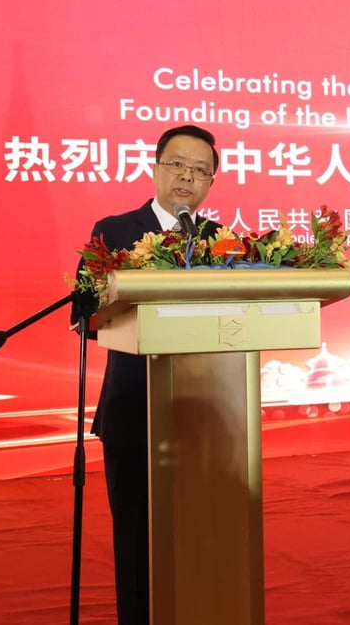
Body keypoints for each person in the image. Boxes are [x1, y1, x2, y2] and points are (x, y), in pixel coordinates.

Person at [73, 124, 223, 625]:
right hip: (134, 408)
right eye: (178, 164)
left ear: (210, 182)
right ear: (156, 168)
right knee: (137, 539)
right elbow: (85, 317)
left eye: (200, 170)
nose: (188, 177)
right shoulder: (114, 230)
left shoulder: (218, 243)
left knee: (200, 536)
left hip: (203, 414)